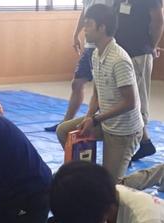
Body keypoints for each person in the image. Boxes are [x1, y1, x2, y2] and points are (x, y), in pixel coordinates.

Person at [56, 4, 143, 182]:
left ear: (102, 27)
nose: (84, 29)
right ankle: (85, 177)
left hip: (123, 133)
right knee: (64, 131)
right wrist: (89, 117)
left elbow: (130, 102)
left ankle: (158, 173)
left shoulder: (119, 59)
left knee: (112, 186)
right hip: (104, 122)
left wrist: (95, 119)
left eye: (88, 24)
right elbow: (97, 92)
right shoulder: (96, 54)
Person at [45, 0, 114, 132]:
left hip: (102, 43)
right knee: (76, 83)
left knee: (100, 90)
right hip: (89, 46)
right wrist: (76, 34)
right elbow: (85, 13)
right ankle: (66, 122)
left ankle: (94, 121)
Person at [115, 0, 164, 161]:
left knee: (136, 100)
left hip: (139, 53)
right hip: (121, 52)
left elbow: (158, 21)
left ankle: (130, 148)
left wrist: (151, 46)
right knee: (123, 99)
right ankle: (145, 142)